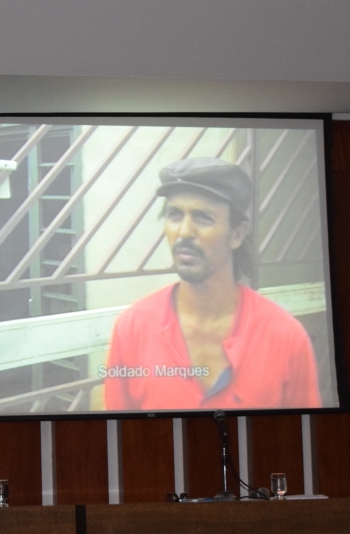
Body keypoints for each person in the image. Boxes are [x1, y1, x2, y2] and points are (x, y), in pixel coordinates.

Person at [104, 157, 321, 410]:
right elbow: (117, 428)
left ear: (237, 234)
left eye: (203, 218)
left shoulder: (286, 338)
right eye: (174, 215)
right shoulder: (132, 329)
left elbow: (305, 431)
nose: (184, 232)